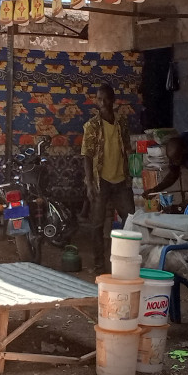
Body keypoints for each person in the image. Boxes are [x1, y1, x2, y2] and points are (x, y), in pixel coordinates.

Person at [82, 83, 133, 274]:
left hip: (121, 180)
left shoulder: (122, 123)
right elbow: (87, 156)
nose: (102, 103)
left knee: (130, 220)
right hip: (100, 181)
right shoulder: (92, 126)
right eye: (99, 99)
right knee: (97, 225)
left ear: (113, 100)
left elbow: (127, 148)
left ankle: (125, 262)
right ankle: (99, 266)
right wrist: (89, 183)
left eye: (105, 99)